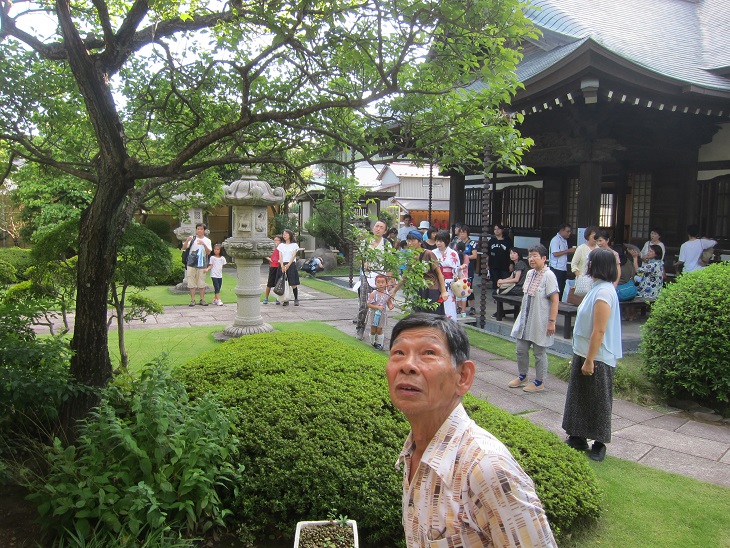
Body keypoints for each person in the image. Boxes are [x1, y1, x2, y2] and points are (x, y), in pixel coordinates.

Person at [386, 313, 557, 547]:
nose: (407, 365)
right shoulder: (414, 451)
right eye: (399, 353)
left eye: (428, 353)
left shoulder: (486, 469)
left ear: (463, 377)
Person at [562, 248, 623, 462]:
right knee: (579, 396)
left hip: (597, 356)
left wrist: (590, 360)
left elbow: (599, 329)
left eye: (590, 262)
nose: (587, 265)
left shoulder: (604, 292)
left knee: (598, 399)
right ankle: (577, 436)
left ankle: (599, 443)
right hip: (584, 351)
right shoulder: (596, 288)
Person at [508, 245, 559, 393]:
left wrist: (552, 321)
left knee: (539, 352)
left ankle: (539, 382)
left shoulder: (549, 276)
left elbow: (555, 300)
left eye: (535, 255)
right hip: (525, 319)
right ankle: (523, 376)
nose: (531, 259)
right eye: (530, 256)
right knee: (521, 349)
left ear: (544, 258)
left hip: (540, 321)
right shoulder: (529, 273)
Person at [392, 230, 449, 315]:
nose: (410, 243)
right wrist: (394, 291)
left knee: (434, 317)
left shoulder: (428, 254)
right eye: (408, 241)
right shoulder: (410, 257)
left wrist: (443, 291)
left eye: (413, 240)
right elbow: (405, 276)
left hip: (432, 288)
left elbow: (439, 273)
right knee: (419, 317)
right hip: (419, 289)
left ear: (420, 242)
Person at [356, 220, 391, 339]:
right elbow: (359, 258)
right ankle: (360, 328)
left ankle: (377, 331)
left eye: (381, 227)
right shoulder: (366, 242)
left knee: (380, 304)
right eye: (377, 226)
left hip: (381, 277)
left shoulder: (387, 244)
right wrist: (364, 263)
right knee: (365, 303)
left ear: (385, 231)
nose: (378, 229)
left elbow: (390, 262)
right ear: (373, 229)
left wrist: (390, 281)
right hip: (367, 275)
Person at [432, 230, 461, 321]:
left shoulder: (453, 253)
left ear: (446, 241)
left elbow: (456, 270)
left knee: (449, 305)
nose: (438, 243)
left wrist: (459, 270)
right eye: (437, 241)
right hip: (436, 282)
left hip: (449, 283)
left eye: (441, 241)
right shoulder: (432, 253)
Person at [183, 223, 212, 307]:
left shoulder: (207, 240)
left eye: (201, 229)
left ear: (204, 230)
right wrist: (187, 240)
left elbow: (208, 252)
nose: (199, 230)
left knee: (201, 281)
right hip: (191, 262)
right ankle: (192, 300)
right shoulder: (192, 239)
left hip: (201, 263)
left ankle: (202, 299)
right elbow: (184, 248)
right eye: (198, 229)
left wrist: (203, 244)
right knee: (191, 281)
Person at [367, 274, 394, 349]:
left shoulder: (387, 294)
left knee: (379, 329)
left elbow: (389, 304)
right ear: (375, 283)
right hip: (373, 314)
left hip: (382, 315)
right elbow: (368, 304)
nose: (380, 284)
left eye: (382, 282)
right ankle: (373, 342)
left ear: (386, 283)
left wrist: (391, 306)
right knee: (373, 330)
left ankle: (380, 345)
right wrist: (377, 307)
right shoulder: (373, 293)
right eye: (378, 282)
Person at [549, 223, 576, 299]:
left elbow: (563, 254)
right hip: (556, 268)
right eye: (567, 231)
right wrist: (568, 251)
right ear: (561, 230)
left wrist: (569, 252)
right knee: (556, 289)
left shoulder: (564, 240)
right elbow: (555, 254)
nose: (569, 233)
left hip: (563, 267)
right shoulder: (555, 240)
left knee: (561, 288)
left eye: (570, 231)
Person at [457, 225, 477, 315]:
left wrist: (464, 257)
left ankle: (472, 306)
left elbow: (475, 255)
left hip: (468, 269)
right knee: (459, 288)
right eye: (461, 232)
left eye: (464, 232)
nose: (462, 234)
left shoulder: (472, 243)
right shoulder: (458, 242)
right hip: (458, 270)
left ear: (467, 233)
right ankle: (460, 307)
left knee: (469, 287)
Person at [277, 229, 301, 306]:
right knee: (284, 282)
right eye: (283, 234)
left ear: (290, 235)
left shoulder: (294, 245)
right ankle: (285, 300)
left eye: (286, 234)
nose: (284, 235)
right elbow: (280, 256)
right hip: (282, 264)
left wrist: (288, 265)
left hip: (291, 264)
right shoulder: (281, 245)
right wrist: (282, 266)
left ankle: (296, 298)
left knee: (293, 283)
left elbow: (294, 255)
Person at [488, 224, 511, 293]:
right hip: (493, 264)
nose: (496, 231)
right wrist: (487, 264)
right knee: (495, 280)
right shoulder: (491, 241)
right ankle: (496, 295)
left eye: (498, 229)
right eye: (495, 229)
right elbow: (488, 253)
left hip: (504, 264)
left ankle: (504, 295)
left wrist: (511, 264)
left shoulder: (507, 241)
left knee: (505, 280)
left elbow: (511, 253)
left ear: (502, 230)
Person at [263, 235, 282, 305]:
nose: (276, 242)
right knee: (270, 283)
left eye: (277, 240)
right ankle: (266, 298)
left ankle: (278, 298)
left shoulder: (282, 248)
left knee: (278, 283)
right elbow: (263, 253)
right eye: (275, 240)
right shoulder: (272, 248)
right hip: (273, 266)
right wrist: (269, 259)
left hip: (279, 266)